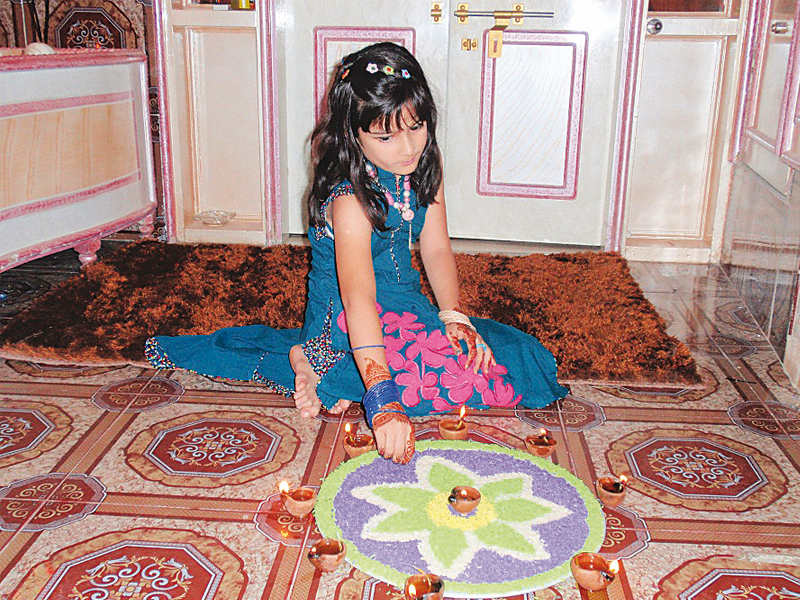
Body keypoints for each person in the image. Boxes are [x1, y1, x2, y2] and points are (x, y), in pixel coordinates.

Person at [145, 42, 568, 465]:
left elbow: (436, 247)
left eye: (417, 127)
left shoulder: (424, 161)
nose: (407, 147)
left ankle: (336, 374)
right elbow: (358, 296)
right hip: (347, 313)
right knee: (431, 387)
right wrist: (382, 400)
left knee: (522, 362)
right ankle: (315, 357)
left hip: (402, 303)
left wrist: (454, 316)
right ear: (353, 132)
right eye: (385, 136)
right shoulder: (348, 200)